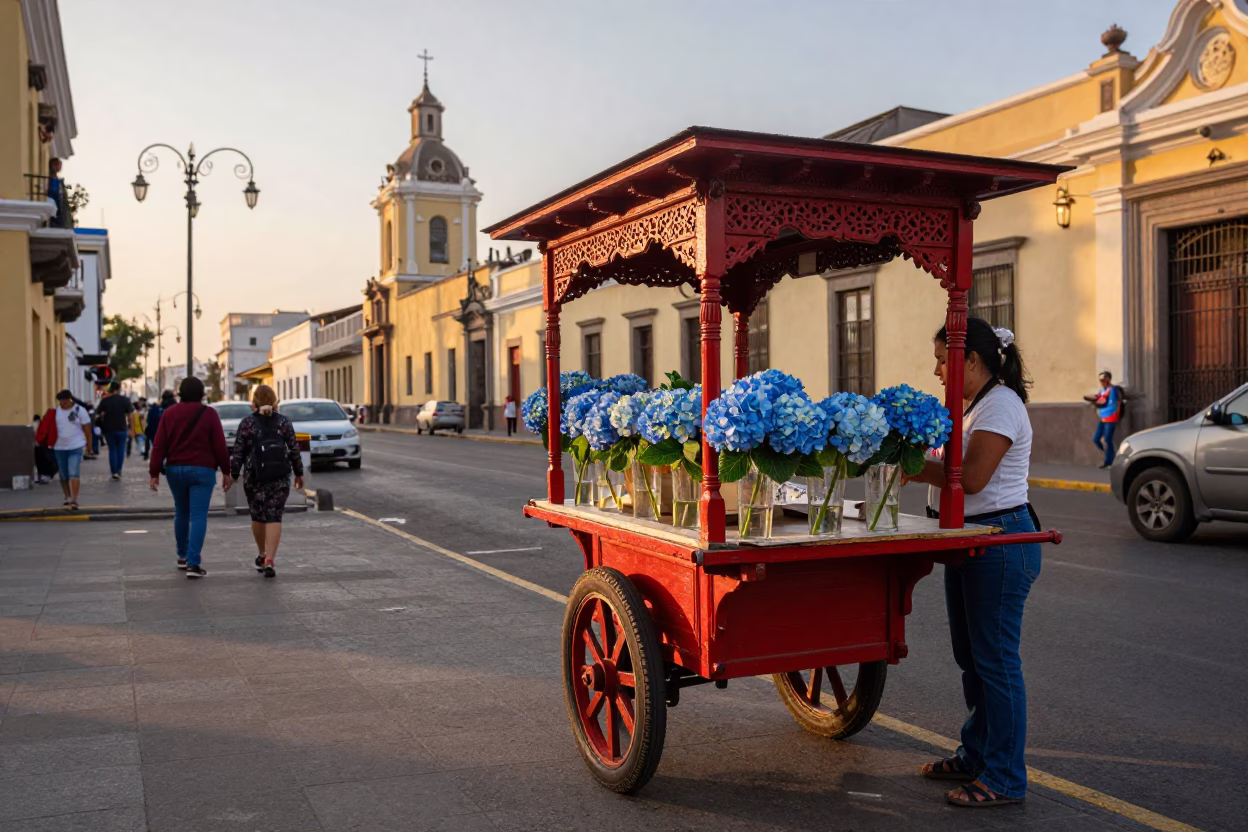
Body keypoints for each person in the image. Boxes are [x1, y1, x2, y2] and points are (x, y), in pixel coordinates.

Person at [902, 317, 1041, 808]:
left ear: (973, 361)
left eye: (944, 359)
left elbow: (976, 477)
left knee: (996, 663)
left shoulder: (1000, 405)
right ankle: (976, 753)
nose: (937, 369)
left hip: (1001, 542)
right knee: (972, 660)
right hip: (970, 542)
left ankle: (1003, 777)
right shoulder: (973, 404)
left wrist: (912, 468)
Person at [149, 377, 232, 578]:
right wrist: (227, 471)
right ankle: (193, 564)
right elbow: (220, 445)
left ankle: (182, 556)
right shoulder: (209, 414)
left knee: (181, 512)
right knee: (198, 515)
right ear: (202, 394)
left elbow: (159, 445)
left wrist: (154, 472)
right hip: (202, 470)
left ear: (180, 393)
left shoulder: (169, 413)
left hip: (175, 470)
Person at [229, 384, 303, 578]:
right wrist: (299, 473)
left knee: (258, 515)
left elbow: (238, 452)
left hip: (254, 477)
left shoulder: (247, 423)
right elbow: (294, 449)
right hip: (280, 476)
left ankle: (262, 553)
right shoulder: (284, 422)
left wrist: (233, 475)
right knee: (274, 515)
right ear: (274, 400)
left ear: (254, 402)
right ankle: (270, 558)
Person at [36, 390, 92, 510]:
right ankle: (67, 497)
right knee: (63, 475)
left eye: (65, 401)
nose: (63, 403)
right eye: (60, 401)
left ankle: (74, 500)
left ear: (70, 399)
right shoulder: (55, 412)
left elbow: (87, 429)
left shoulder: (79, 410)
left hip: (76, 447)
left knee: (73, 473)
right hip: (59, 447)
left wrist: (89, 447)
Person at [94, 381, 134, 480]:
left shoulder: (105, 400)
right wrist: (132, 429)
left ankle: (114, 472)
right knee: (121, 450)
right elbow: (130, 416)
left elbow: (98, 413)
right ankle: (118, 469)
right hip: (122, 428)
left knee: (112, 450)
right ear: (119, 389)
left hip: (109, 429)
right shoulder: (125, 400)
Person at [1083, 371, 1122, 469]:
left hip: (1111, 417)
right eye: (1101, 380)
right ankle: (1108, 455)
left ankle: (1109, 462)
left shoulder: (1113, 389)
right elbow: (1100, 401)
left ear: (1108, 379)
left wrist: (1116, 415)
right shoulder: (1102, 391)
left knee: (1107, 439)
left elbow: (1118, 403)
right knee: (1096, 439)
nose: (1102, 382)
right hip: (1103, 418)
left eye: (1104, 379)